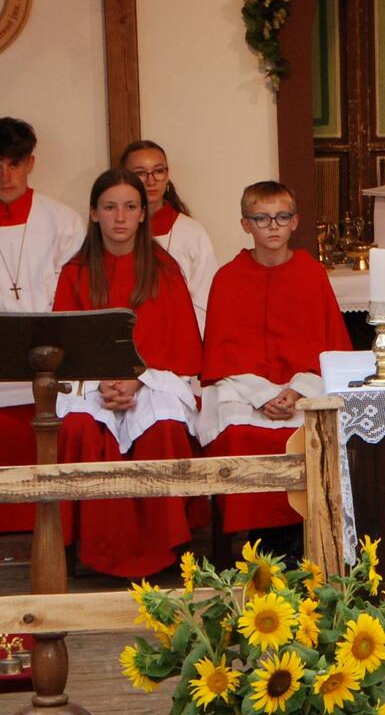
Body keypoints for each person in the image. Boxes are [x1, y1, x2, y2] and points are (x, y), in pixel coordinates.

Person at [54, 168, 203, 578]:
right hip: (90, 382)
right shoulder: (75, 272)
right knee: (80, 428)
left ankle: (167, 550)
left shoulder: (166, 269)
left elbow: (180, 345)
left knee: (164, 429)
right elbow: (64, 346)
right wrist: (101, 380)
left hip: (152, 381)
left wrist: (138, 379)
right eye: (110, 206)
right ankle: (84, 549)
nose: (120, 217)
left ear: (143, 214)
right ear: (94, 213)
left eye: (130, 207)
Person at [198, 181, 350, 554]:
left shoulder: (311, 274)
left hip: (303, 390)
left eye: (282, 217)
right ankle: (258, 542)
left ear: (295, 222)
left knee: (313, 434)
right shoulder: (227, 278)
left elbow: (330, 348)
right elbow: (222, 355)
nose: (273, 226)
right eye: (262, 218)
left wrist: (295, 391)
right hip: (245, 391)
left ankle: (304, 535)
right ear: (245, 224)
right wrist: (265, 395)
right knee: (239, 435)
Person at [0, 118, 85, 533]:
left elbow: (73, 295)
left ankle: (54, 530)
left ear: (31, 163)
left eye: (14, 163)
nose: (5, 175)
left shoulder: (62, 221)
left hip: (50, 363)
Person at [121, 140, 218, 333]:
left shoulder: (191, 233)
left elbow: (206, 301)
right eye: (140, 173)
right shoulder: (113, 231)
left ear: (167, 176)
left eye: (158, 171)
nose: (151, 181)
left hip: (177, 342)